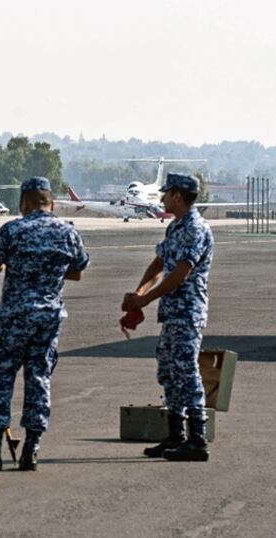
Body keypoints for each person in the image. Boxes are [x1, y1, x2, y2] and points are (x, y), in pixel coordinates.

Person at [0, 177, 90, 472]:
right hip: (49, 317)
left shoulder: (13, 229)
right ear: (50, 202)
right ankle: (31, 450)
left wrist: (8, 266)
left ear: (24, 202)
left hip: (15, 315)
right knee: (39, 378)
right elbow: (77, 272)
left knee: (0, 376)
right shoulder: (68, 232)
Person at [122, 173, 214, 462]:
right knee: (169, 372)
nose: (162, 198)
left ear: (177, 195)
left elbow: (180, 273)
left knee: (186, 372)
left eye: (166, 193)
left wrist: (145, 299)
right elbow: (160, 262)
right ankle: (176, 435)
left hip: (188, 312)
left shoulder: (195, 229)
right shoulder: (175, 228)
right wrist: (139, 292)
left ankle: (197, 440)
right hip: (172, 313)